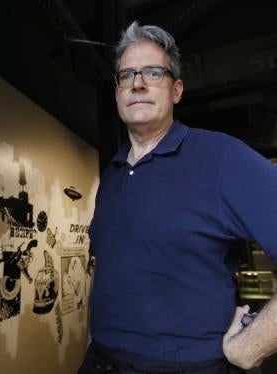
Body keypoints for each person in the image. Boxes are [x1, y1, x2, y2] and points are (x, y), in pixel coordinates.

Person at [78, 21, 277, 373]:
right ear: (117, 92)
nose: (137, 83)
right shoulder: (111, 175)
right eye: (126, 75)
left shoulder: (222, 158)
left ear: (177, 90)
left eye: (153, 73)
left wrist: (252, 346)